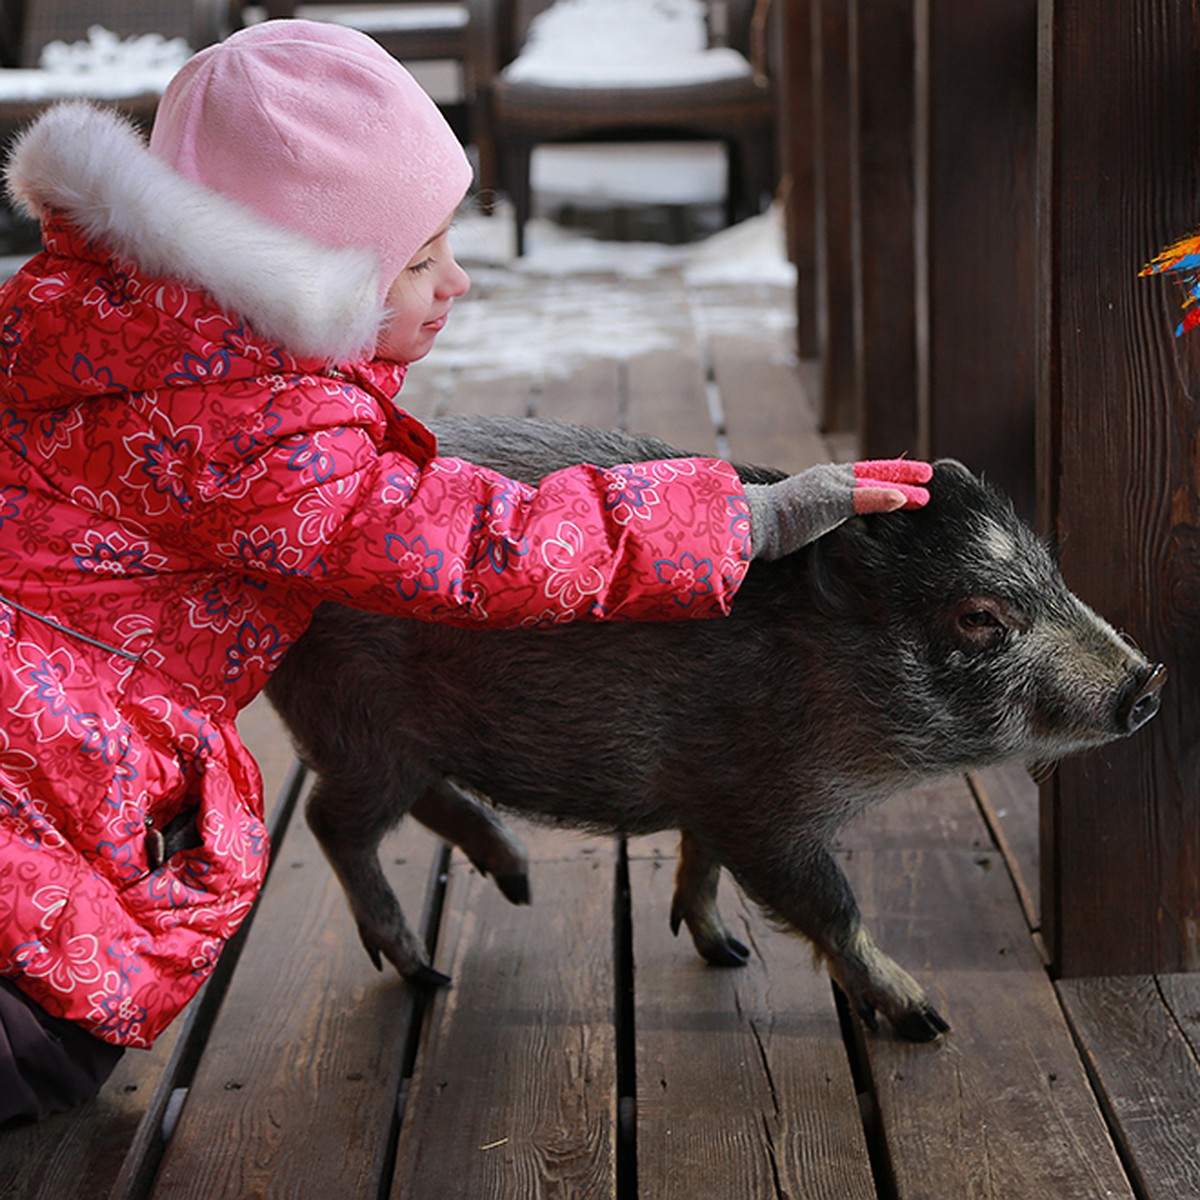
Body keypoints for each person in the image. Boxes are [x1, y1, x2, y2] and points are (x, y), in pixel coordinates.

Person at [0, 19, 931, 1123]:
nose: (459, 283)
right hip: (53, 742)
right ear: (306, 279)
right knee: (59, 1015)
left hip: (53, 703)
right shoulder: (259, 430)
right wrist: (744, 516)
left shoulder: (90, 318)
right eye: (419, 260)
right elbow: (482, 546)